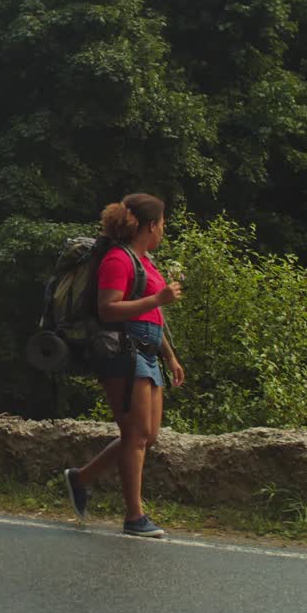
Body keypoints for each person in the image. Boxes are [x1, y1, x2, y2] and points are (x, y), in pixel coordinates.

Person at [62, 193, 185, 537]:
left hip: (147, 350)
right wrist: (158, 298)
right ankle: (134, 516)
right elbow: (108, 309)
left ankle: (81, 478)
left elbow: (152, 313)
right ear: (149, 225)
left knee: (149, 436)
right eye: (162, 224)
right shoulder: (118, 259)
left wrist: (170, 354)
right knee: (135, 434)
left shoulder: (145, 261)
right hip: (122, 351)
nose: (164, 230)